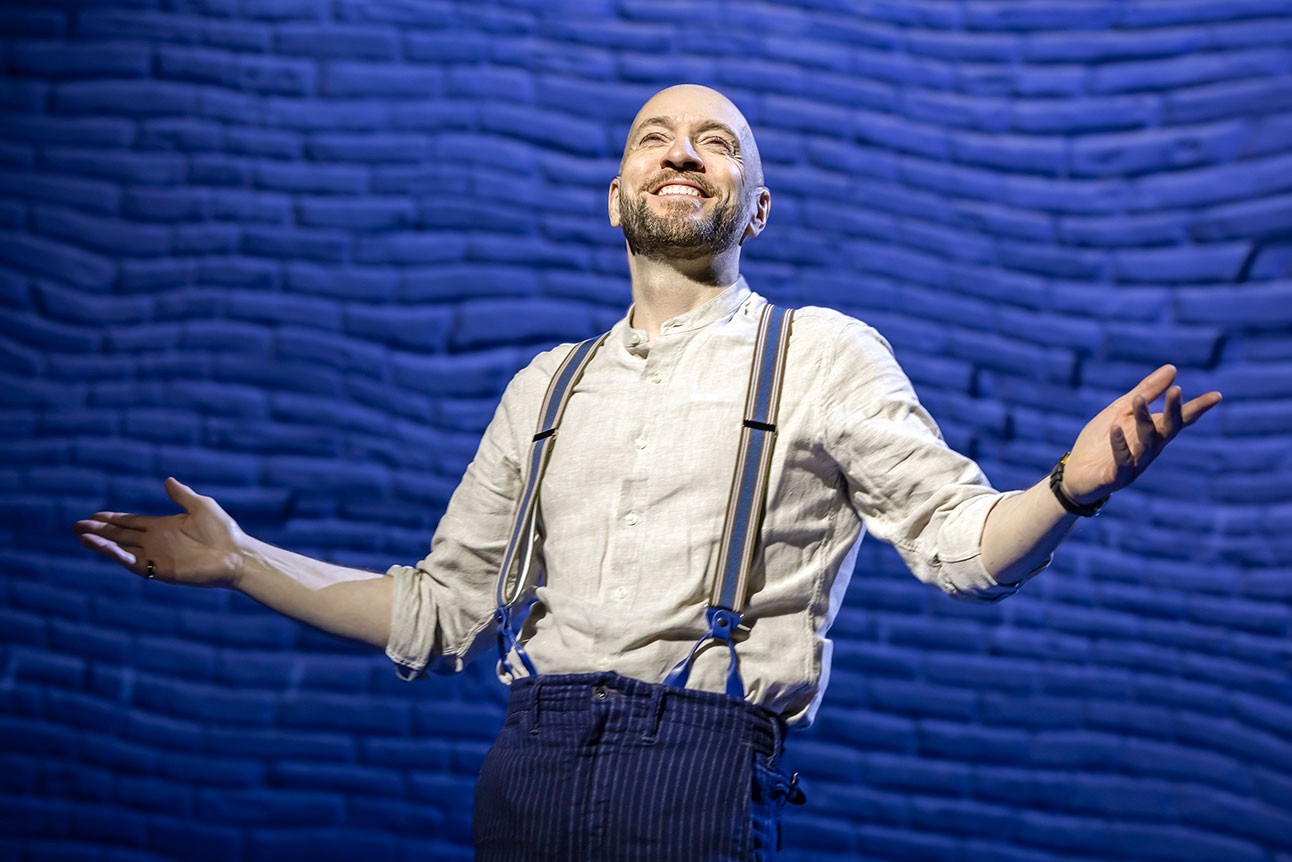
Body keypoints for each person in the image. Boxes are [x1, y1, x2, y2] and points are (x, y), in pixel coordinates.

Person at [74, 85, 1222, 860]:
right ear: (615, 194)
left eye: (716, 143)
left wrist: (1067, 489)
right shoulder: (546, 386)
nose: (682, 150)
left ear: (754, 208)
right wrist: (241, 561)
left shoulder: (819, 351)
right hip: (523, 766)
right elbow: (441, 608)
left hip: (695, 776)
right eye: (655, 136)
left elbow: (960, 545)